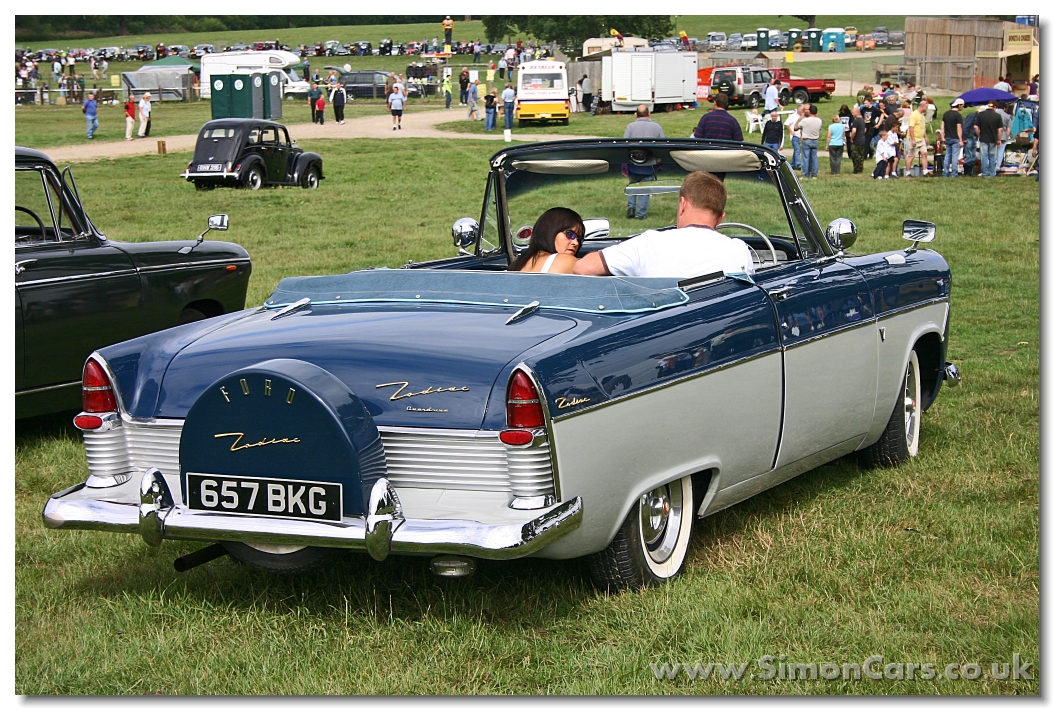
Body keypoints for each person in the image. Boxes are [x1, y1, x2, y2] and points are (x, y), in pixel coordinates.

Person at [574, 171, 754, 279]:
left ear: (683, 204)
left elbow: (583, 268)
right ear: (721, 217)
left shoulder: (649, 244)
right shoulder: (740, 251)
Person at [508, 208, 584, 274]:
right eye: (569, 234)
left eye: (579, 239)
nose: (576, 243)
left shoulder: (518, 264)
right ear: (550, 231)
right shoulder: (567, 261)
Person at [623, 105, 665, 219]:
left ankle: (631, 208)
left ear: (636, 114)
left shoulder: (630, 127)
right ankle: (641, 214)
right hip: (649, 164)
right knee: (645, 190)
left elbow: (624, 145)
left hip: (633, 162)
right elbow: (662, 146)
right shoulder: (657, 127)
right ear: (649, 113)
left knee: (632, 186)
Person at [976, 101, 1004, 178]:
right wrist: (999, 139)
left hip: (983, 138)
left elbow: (975, 127)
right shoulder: (998, 116)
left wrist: (979, 134)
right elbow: (1000, 129)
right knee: (992, 157)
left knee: (984, 156)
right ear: (995, 107)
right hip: (993, 139)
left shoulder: (981, 115)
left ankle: (985, 173)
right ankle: (992, 173)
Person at [904, 100, 930, 176]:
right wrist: (913, 139)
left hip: (921, 139)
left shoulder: (922, 115)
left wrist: (925, 136)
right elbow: (911, 127)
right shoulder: (914, 115)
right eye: (926, 107)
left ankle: (925, 171)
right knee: (911, 156)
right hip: (914, 138)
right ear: (922, 107)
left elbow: (922, 127)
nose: (927, 109)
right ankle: (908, 172)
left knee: (924, 154)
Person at [941, 97, 965, 177]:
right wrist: (961, 140)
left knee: (948, 155)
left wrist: (942, 136)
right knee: (955, 156)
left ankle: (945, 172)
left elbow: (942, 126)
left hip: (948, 137)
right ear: (959, 105)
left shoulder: (946, 114)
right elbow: (959, 128)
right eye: (962, 105)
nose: (963, 107)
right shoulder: (958, 115)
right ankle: (954, 173)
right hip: (955, 138)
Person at [798, 104, 822, 179]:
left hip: (807, 140)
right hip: (815, 140)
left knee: (805, 158)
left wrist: (802, 116)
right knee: (814, 158)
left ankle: (805, 175)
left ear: (810, 111)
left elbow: (797, 126)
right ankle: (814, 174)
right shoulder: (819, 120)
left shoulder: (805, 120)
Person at [849, 106, 868, 174]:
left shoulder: (856, 121)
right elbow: (865, 129)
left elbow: (854, 131)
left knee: (855, 156)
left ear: (857, 113)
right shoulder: (862, 120)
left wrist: (851, 138)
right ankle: (860, 169)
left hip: (856, 140)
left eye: (853, 112)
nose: (852, 114)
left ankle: (856, 170)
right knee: (861, 155)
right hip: (862, 139)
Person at [786, 105, 805, 169]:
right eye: (802, 110)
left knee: (796, 150)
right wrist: (791, 132)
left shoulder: (804, 117)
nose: (803, 111)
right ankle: (799, 164)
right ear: (799, 110)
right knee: (797, 150)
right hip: (795, 136)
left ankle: (793, 164)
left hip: (802, 136)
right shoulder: (792, 116)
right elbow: (787, 124)